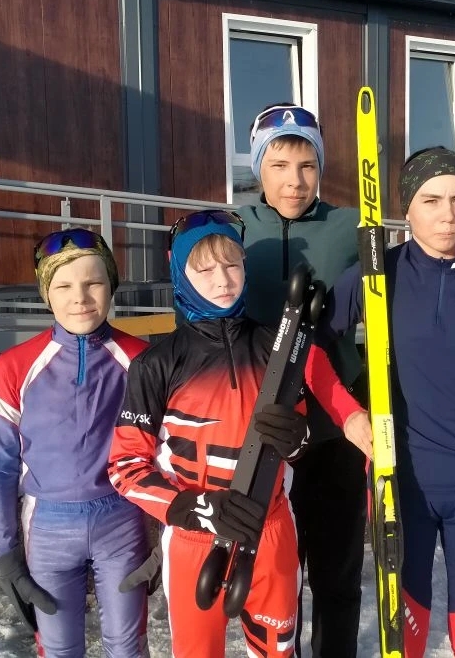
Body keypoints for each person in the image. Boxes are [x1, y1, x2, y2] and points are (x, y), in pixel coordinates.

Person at [107, 210, 366, 658]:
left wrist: (299, 439)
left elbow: (296, 441)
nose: (222, 280)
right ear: (180, 275)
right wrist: (192, 508)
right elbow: (125, 467)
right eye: (204, 269)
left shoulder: (275, 347)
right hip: (194, 539)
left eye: (232, 264)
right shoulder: (157, 363)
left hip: (272, 531)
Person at [322, 147, 455, 658]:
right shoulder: (377, 275)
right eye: (431, 200)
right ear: (407, 207)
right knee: (407, 631)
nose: (448, 214)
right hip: (402, 483)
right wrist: (348, 416)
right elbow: (311, 350)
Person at [0, 228, 150, 658]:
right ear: (46, 294)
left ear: (111, 285)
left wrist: (170, 533)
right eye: (63, 286)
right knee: (59, 649)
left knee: (127, 647)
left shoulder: (142, 359)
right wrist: (5, 551)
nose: (81, 298)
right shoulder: (14, 366)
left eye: (94, 282)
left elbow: (169, 449)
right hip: (48, 526)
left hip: (122, 520)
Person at [238, 103, 368, 657]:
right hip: (262, 427)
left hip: (335, 426)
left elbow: (391, 291)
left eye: (307, 165)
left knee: (337, 573)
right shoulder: (236, 229)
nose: (294, 180)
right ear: (258, 169)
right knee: (275, 573)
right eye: (279, 165)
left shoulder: (349, 227)